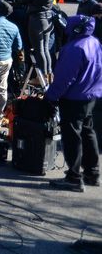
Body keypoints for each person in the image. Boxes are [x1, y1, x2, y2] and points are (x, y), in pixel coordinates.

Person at [45, 15, 102, 191]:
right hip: (91, 95)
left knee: (72, 137)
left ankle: (74, 178)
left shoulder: (74, 48)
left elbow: (64, 78)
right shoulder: (94, 42)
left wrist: (51, 96)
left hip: (74, 97)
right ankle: (92, 173)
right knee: (87, 132)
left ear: (75, 29)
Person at [14, 0, 58, 81]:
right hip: (47, 18)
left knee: (39, 50)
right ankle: (49, 74)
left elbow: (23, 1)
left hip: (37, 20)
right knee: (45, 49)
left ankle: (42, 77)